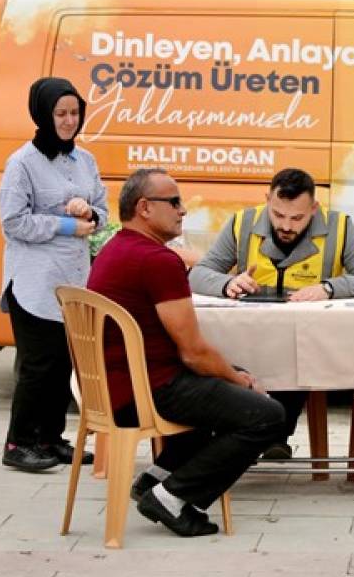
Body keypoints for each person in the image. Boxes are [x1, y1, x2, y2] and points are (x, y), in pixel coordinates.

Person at [87, 168, 286, 537]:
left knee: (224, 383)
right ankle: (173, 497)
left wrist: (230, 375)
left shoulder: (116, 247)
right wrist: (239, 381)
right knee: (267, 416)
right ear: (144, 207)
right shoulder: (159, 260)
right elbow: (193, 353)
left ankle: (155, 479)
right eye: (174, 202)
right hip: (149, 390)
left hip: (116, 386)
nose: (183, 210)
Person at [189, 167, 354, 458]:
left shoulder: (340, 226)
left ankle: (273, 435)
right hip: (248, 336)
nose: (286, 225)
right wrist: (228, 282)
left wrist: (330, 288)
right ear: (268, 199)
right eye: (278, 215)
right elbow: (199, 274)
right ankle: (249, 434)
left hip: (306, 340)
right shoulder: (243, 222)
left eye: (297, 218)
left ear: (314, 209)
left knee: (293, 353)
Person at [0, 77, 107, 472]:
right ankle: (18, 443)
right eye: (60, 113)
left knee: (63, 362)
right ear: (43, 114)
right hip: (34, 280)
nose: (68, 121)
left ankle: (49, 437)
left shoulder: (85, 160)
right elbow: (12, 222)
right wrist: (65, 223)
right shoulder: (22, 162)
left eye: (74, 113)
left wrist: (90, 214)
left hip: (73, 279)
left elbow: (102, 211)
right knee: (38, 365)